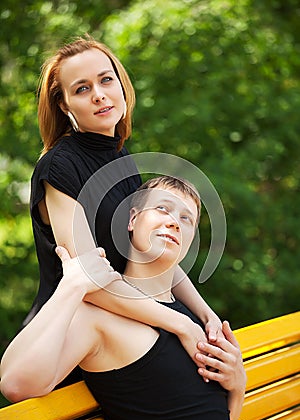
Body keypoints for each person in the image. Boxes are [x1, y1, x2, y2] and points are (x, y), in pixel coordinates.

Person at [24, 35, 224, 379]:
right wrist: (181, 324)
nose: (99, 94)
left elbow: (148, 254)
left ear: (121, 83)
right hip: (70, 342)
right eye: (82, 89)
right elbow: (91, 280)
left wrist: (205, 316)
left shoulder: (120, 155)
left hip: (123, 333)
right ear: (64, 105)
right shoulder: (59, 168)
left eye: (105, 80)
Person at [0, 176, 246, 420]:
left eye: (186, 219)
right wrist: (72, 287)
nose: (175, 221)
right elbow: (15, 383)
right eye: (163, 208)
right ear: (132, 220)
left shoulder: (194, 319)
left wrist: (237, 386)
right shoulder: (100, 318)